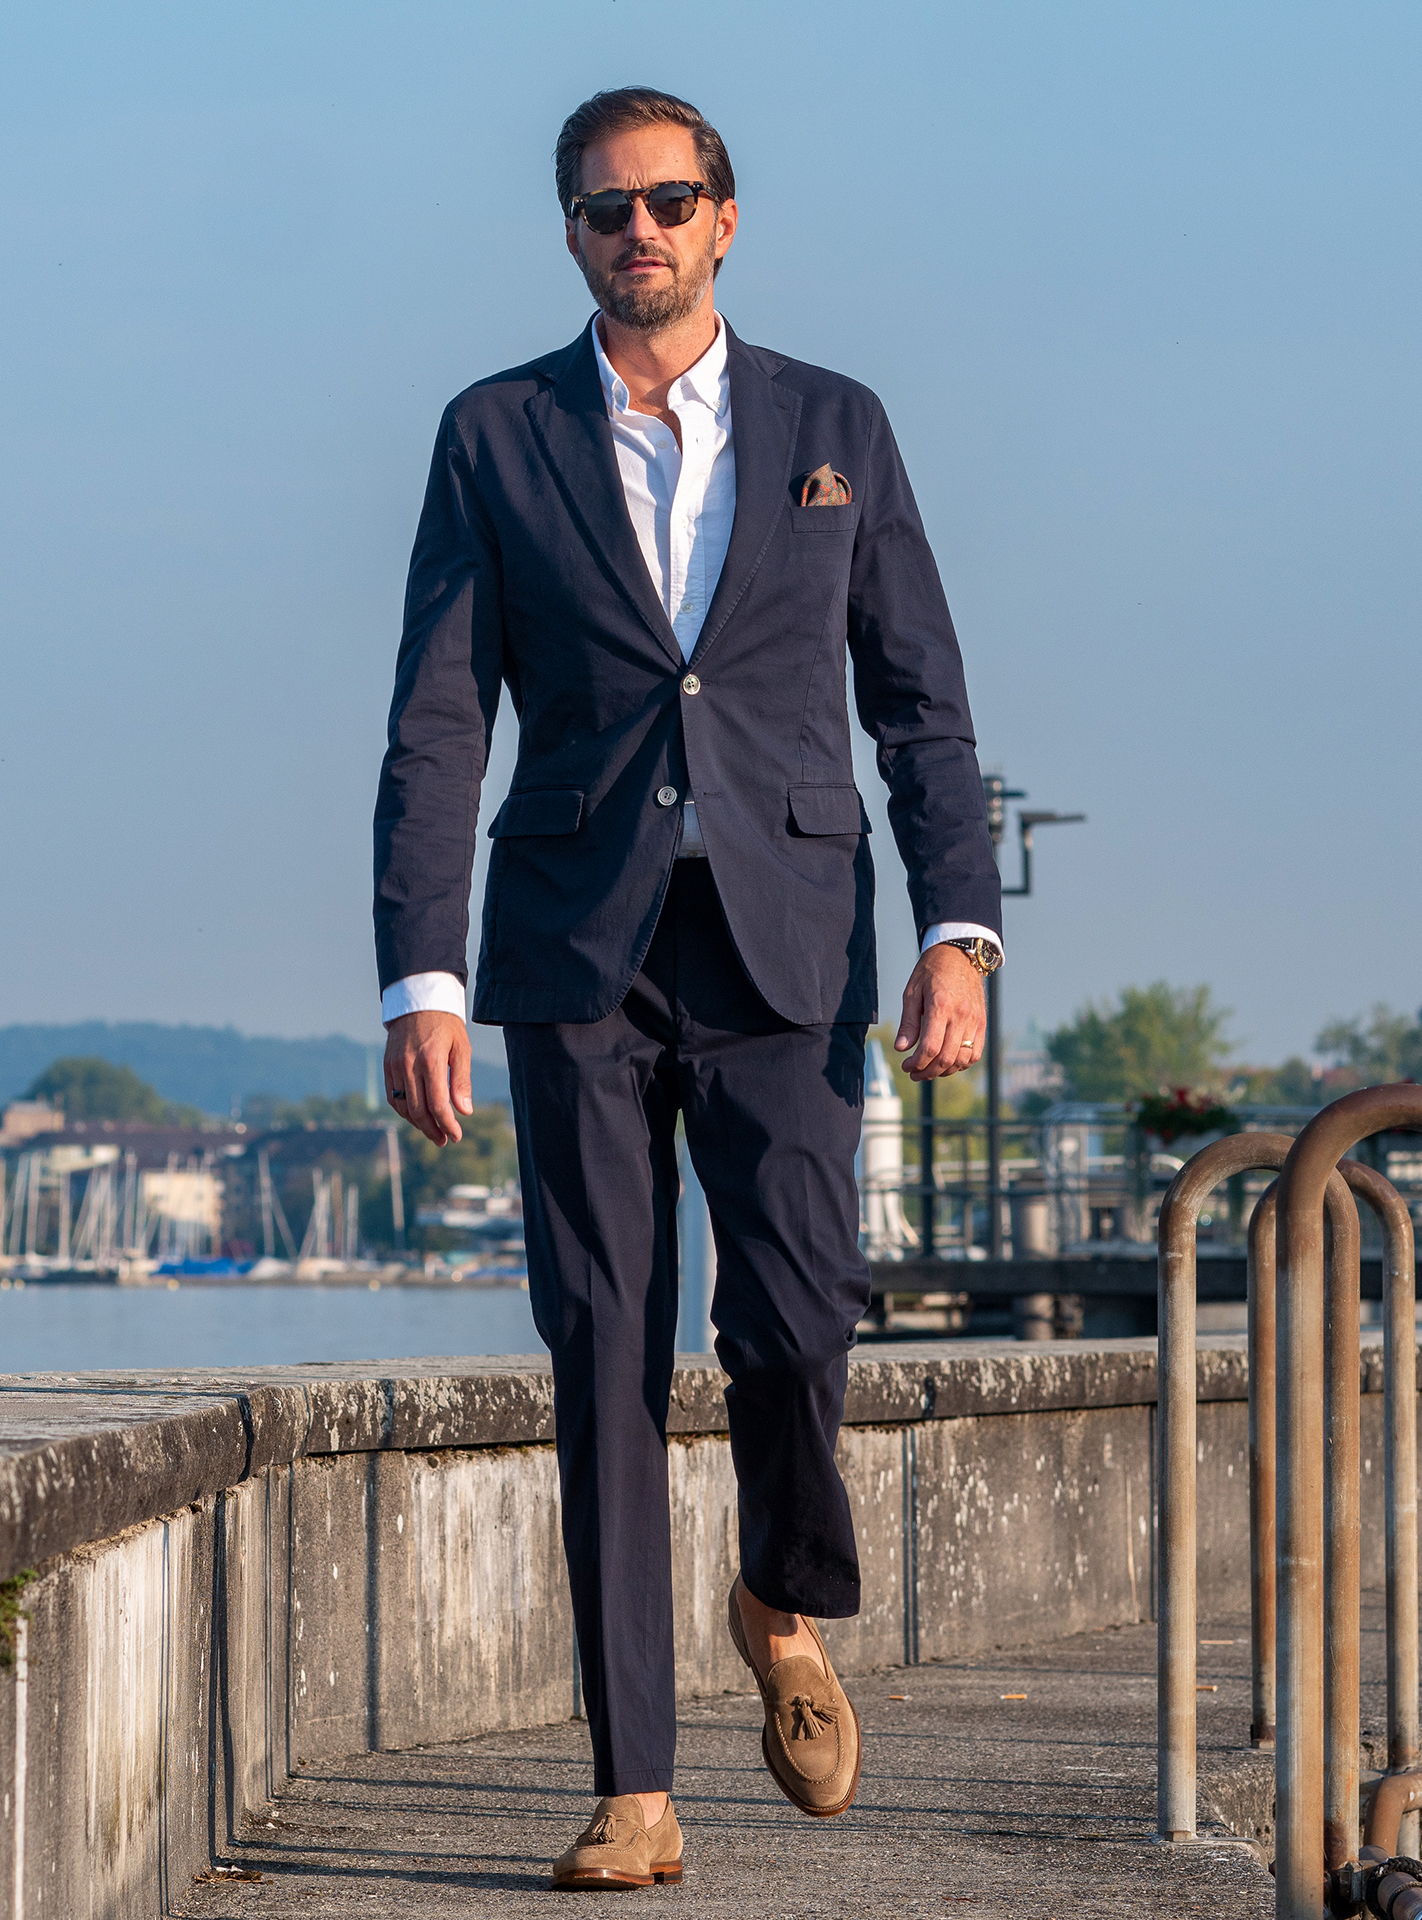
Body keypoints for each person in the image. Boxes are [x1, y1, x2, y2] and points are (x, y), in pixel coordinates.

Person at [374, 85, 1003, 1892]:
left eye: (665, 201)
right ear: (569, 234)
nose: (633, 231)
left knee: (799, 1320)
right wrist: (423, 967)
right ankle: (632, 1784)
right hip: (574, 941)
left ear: (726, 218)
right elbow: (437, 719)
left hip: (788, 939)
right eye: (600, 210)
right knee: (601, 1352)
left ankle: (776, 1596)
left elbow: (920, 704)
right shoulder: (493, 434)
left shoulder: (834, 426)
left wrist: (960, 927)